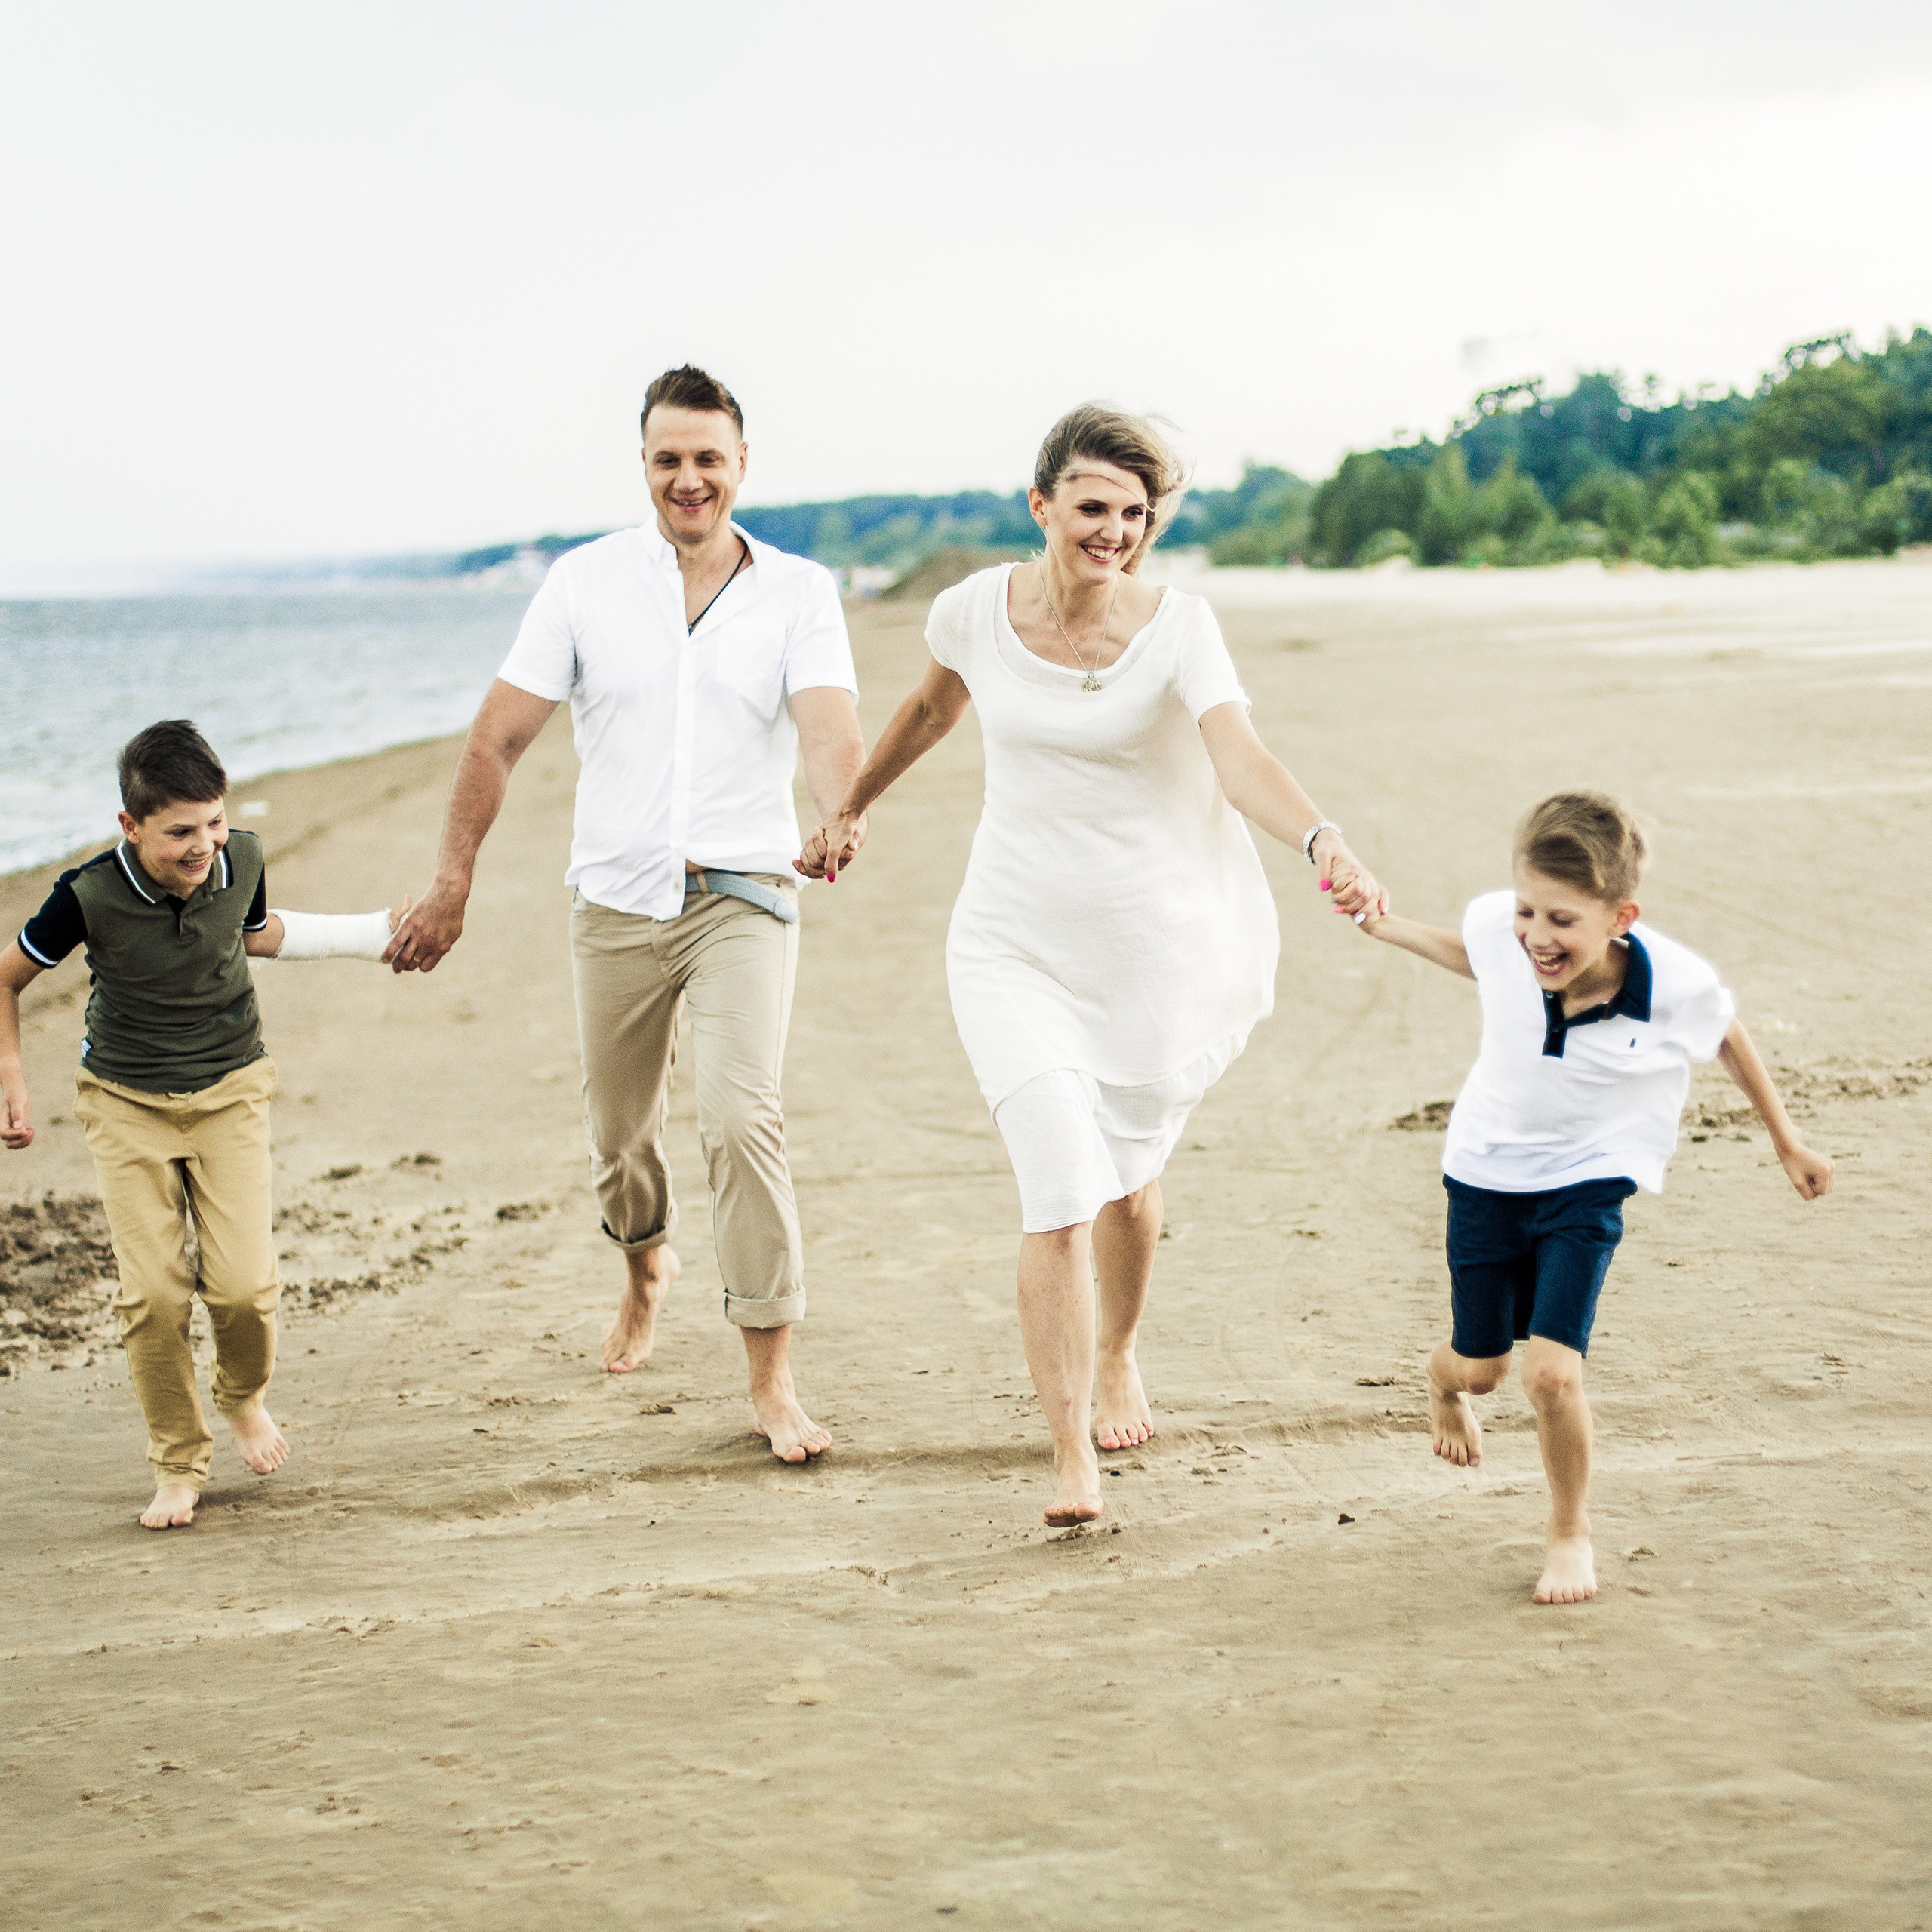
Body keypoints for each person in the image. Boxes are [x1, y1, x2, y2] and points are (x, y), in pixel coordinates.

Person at [795, 404, 1383, 1526]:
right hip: (1013, 946)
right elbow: (928, 710)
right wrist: (851, 807)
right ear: (1042, 504)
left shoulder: (1182, 629)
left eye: (1134, 513)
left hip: (1152, 955)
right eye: (1092, 507)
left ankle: (1119, 1352)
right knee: (1059, 1190)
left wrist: (1323, 839)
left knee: (1127, 1183)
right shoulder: (973, 611)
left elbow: (1239, 756)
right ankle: (1071, 1454)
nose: (1114, 531)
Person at [384, 365, 863, 1464]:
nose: (689, 479)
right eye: (668, 460)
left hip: (743, 893)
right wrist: (452, 880)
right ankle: (646, 1261)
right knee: (619, 1136)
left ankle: (771, 1378)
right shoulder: (584, 583)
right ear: (644, 465)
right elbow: (497, 738)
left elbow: (829, 724)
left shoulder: (799, 592)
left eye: (708, 459)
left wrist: (840, 812)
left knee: (741, 1119)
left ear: (742, 464)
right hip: (613, 901)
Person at [1356, 791, 1832, 1603]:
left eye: (1563, 921)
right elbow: (1480, 954)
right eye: (1526, 911)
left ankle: (1569, 1534)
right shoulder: (1504, 933)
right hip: (1485, 1173)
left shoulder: (1673, 981)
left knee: (1551, 1376)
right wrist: (1387, 925)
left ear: (1620, 918)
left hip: (1590, 1177)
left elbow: (1724, 1033)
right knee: (1484, 1369)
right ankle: (1442, 1383)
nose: (1537, 936)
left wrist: (1786, 1139)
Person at [0, 720, 408, 1529]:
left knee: (244, 1289)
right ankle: (177, 1461)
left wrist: (375, 936)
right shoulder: (85, 895)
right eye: (181, 832)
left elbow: (254, 934)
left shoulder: (241, 858)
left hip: (230, 1088)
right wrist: (11, 1073)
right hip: (126, 1101)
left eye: (215, 823)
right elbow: (6, 977)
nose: (204, 846)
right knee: (154, 1295)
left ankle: (242, 1396)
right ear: (130, 825)